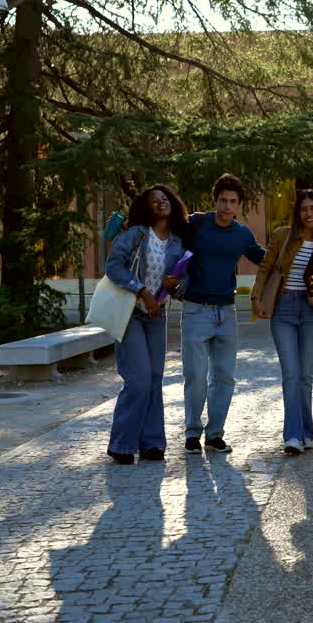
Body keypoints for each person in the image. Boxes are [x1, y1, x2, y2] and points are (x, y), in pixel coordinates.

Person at [103, 186, 189, 464]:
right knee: (138, 379)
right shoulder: (135, 235)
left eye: (164, 199)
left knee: (154, 378)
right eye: (154, 201)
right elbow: (113, 267)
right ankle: (121, 444)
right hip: (130, 313)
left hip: (156, 316)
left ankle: (152, 443)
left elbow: (183, 282)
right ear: (146, 208)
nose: (161, 203)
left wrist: (174, 285)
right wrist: (141, 290)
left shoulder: (177, 242)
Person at [182, 174, 266, 454]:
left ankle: (215, 434)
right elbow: (168, 236)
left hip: (226, 313)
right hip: (196, 310)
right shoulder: (196, 224)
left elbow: (263, 258)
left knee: (224, 377)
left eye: (232, 201)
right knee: (195, 375)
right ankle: (192, 433)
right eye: (222, 200)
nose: (227, 206)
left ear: (239, 204)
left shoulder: (242, 234)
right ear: (215, 201)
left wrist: (297, 254)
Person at [252, 190, 313, 456]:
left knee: (305, 376)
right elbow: (265, 268)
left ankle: (306, 432)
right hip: (283, 309)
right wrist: (256, 297)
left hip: (310, 312)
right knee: (291, 374)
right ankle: (292, 435)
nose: (308, 213)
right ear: (297, 212)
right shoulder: (283, 236)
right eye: (304, 209)